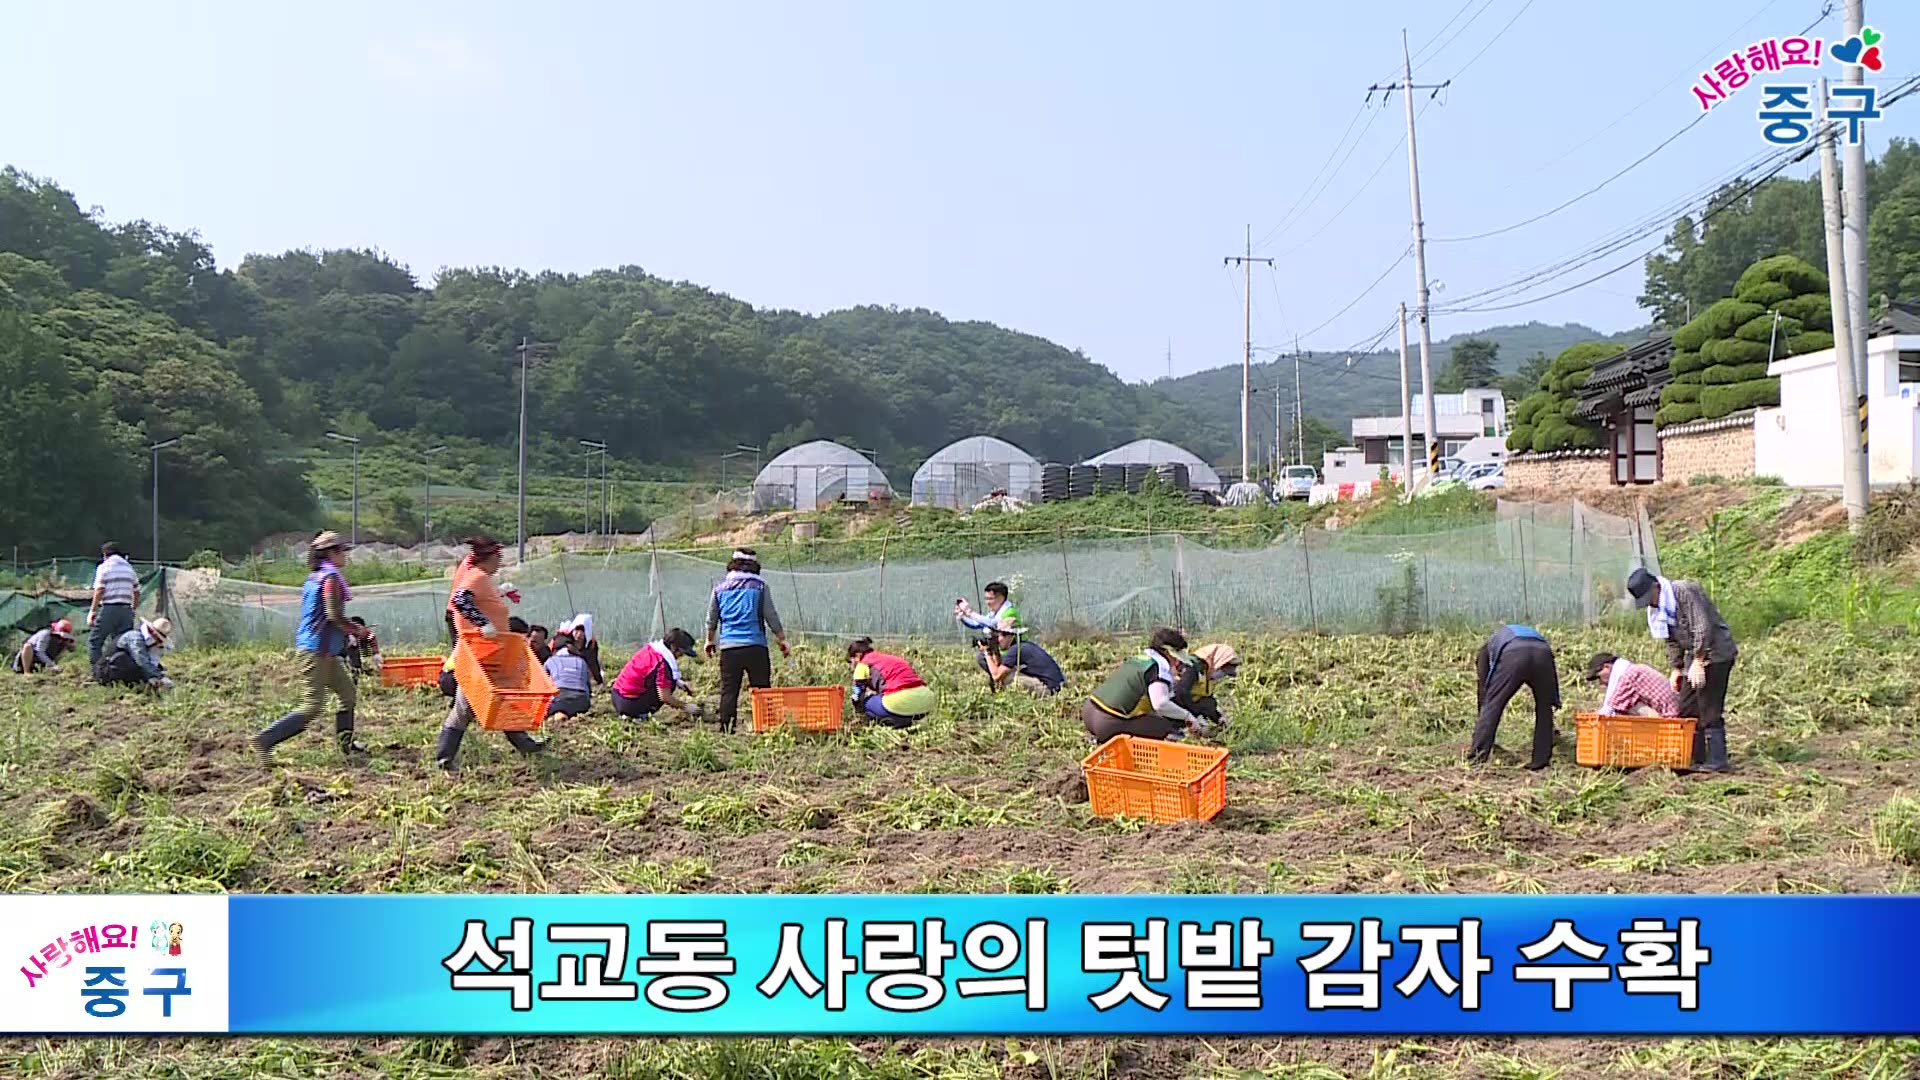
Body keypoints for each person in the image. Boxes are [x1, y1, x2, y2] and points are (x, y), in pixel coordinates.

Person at [252, 532, 373, 765]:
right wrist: (358, 631)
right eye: (340, 551)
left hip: (324, 649)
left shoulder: (315, 577)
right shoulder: (330, 579)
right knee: (312, 706)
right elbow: (333, 615)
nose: (344, 556)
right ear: (329, 553)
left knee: (347, 695)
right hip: (316, 650)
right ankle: (265, 740)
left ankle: (346, 747)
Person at [435, 536, 546, 771]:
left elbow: (480, 600)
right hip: (479, 654)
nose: (500, 563)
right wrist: (482, 623)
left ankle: (524, 743)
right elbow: (460, 601)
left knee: (502, 698)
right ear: (490, 558)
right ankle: (444, 759)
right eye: (499, 559)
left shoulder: (482, 578)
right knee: (466, 708)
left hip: (489, 653)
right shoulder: (477, 576)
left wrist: (499, 595)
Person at [1627, 568, 1737, 773]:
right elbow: (1671, 640)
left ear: (1656, 587)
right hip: (1692, 656)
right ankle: (1694, 756)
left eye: (1648, 598)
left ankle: (1717, 761)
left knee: (1708, 705)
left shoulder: (1683, 591)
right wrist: (1677, 668)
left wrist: (1698, 659)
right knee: (1686, 706)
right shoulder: (1660, 609)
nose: (1649, 604)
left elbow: (1702, 627)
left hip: (1717, 653)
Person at [705, 549, 788, 731]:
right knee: (762, 690)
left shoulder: (719, 589)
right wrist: (782, 640)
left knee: (729, 690)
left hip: (729, 648)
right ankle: (765, 726)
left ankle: (727, 728)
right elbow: (770, 616)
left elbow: (712, 619)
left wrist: (709, 641)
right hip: (755, 646)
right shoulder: (760, 587)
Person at [1082, 627, 1213, 742]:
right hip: (1107, 722)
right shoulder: (1158, 668)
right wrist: (1187, 716)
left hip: (1089, 711)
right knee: (1166, 727)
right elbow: (1160, 704)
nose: (1176, 662)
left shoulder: (1140, 659)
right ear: (1167, 653)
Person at [1469, 624, 1562, 770]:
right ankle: (1540, 761)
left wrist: (1483, 714)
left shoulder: (1484, 652)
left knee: (1493, 706)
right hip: (1543, 653)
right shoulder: (1503, 638)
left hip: (1514, 654)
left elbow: (1486, 693)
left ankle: (1477, 759)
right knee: (1544, 708)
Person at [609, 628, 704, 721]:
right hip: (629, 703)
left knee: (669, 681)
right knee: (669, 685)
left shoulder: (652, 650)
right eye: (681, 653)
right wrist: (686, 706)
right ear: (673, 647)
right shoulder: (663, 664)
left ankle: (629, 712)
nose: (680, 656)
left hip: (617, 695)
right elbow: (664, 697)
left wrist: (678, 682)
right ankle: (637, 715)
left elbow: (649, 673)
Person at [847, 638, 936, 728]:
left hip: (900, 702)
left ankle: (897, 721)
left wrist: (857, 710)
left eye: (851, 662)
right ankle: (912, 719)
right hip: (926, 702)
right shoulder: (893, 659)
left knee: (866, 702)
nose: (851, 667)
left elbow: (857, 694)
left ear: (857, 656)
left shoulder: (863, 664)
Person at [87, 542, 141, 669]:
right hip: (126, 609)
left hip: (110, 608)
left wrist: (92, 611)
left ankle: (98, 670)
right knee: (121, 643)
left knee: (95, 641)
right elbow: (137, 591)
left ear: (105, 554)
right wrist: (133, 608)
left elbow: (99, 589)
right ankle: (118, 670)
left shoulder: (104, 567)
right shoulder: (129, 568)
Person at [978, 617, 1065, 696]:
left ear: (1009, 635)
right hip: (1056, 686)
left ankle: (1001, 697)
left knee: (1006, 678)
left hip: (1049, 689)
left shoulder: (1015, 650)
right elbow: (1000, 666)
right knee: (1007, 673)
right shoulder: (1022, 646)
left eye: (999, 635)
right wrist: (996, 651)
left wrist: (987, 652)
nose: (998, 639)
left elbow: (996, 676)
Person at [1585, 652, 1680, 718]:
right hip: (1674, 710)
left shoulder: (1628, 676)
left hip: (1671, 717)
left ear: (1607, 667)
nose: (1601, 682)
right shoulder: (1634, 669)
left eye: (1599, 677)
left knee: (1626, 708)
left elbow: (1611, 709)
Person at [95, 617, 174, 691]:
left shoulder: (146, 643)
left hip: (118, 671)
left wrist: (156, 674)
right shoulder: (135, 638)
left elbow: (151, 661)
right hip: (105, 672)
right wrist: (159, 677)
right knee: (130, 662)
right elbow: (142, 661)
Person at [1175, 643, 1240, 727]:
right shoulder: (1191, 669)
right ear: (1218, 662)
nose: (1222, 675)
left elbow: (1207, 701)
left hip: (1188, 709)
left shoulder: (1206, 674)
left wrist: (1219, 718)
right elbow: (1181, 693)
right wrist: (1196, 715)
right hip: (1175, 710)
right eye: (1223, 671)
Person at [543, 633, 595, 720]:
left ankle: (560, 714)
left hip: (560, 697)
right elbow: (588, 687)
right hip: (581, 699)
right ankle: (575, 715)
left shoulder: (551, 661)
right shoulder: (581, 661)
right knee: (576, 709)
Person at [12, 619, 77, 674]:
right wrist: (52, 664)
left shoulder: (61, 641)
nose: (62, 639)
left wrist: (70, 644)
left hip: (43, 661)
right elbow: (40, 652)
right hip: (29, 658)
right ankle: (27, 672)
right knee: (27, 646)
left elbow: (72, 650)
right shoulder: (45, 634)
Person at [557, 615, 604, 688]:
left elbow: (593, 663)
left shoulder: (590, 646)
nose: (578, 635)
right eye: (577, 630)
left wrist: (599, 680)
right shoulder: (562, 642)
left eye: (582, 631)